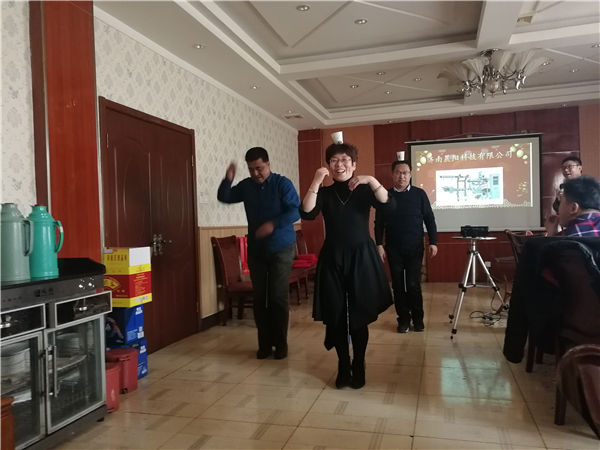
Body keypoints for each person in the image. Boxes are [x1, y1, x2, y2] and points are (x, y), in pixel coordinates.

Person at [300, 142, 392, 389]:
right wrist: (316, 181)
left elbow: (387, 204)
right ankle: (343, 364)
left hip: (362, 258)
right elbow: (307, 212)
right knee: (336, 316)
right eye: (334, 160)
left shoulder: (363, 190)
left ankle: (359, 364)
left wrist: (371, 180)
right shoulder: (326, 193)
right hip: (333, 258)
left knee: (359, 316)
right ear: (329, 165)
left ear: (353, 164)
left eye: (344, 160)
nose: (339, 165)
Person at [217, 147, 300, 359]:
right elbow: (225, 197)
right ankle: (264, 345)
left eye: (259, 168)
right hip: (257, 249)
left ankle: (280, 345)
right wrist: (228, 179)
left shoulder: (282, 184)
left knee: (277, 297)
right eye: (251, 169)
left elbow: (295, 211)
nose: (255, 173)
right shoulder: (246, 186)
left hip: (281, 248)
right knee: (260, 298)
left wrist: (273, 224)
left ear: (268, 164)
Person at [374, 160, 438, 334]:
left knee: (413, 284)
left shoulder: (419, 194)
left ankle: (418, 319)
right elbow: (378, 223)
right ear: (392, 174)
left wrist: (433, 242)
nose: (401, 176)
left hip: (415, 247)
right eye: (398, 172)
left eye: (405, 173)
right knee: (397, 285)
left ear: (410, 174)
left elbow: (429, 219)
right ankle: (403, 320)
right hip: (393, 248)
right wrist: (379, 244)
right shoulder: (385, 195)